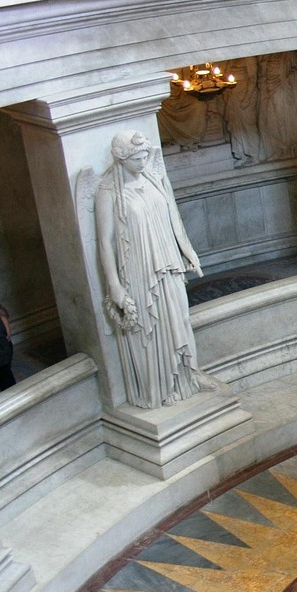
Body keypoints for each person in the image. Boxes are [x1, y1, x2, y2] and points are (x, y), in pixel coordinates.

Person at [95, 130, 209, 408]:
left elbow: (173, 218)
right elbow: (105, 243)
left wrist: (187, 251)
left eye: (145, 155)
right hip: (139, 270)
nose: (143, 161)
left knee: (179, 318)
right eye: (136, 157)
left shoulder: (153, 178)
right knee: (152, 327)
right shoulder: (108, 192)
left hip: (168, 263)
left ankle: (185, 376)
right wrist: (114, 286)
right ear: (121, 158)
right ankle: (160, 387)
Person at [0, 294, 14, 392]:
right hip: (2, 354)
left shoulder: (0, 315)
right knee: (6, 380)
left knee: (6, 379)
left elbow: (7, 336)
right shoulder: (0, 314)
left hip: (1, 355)